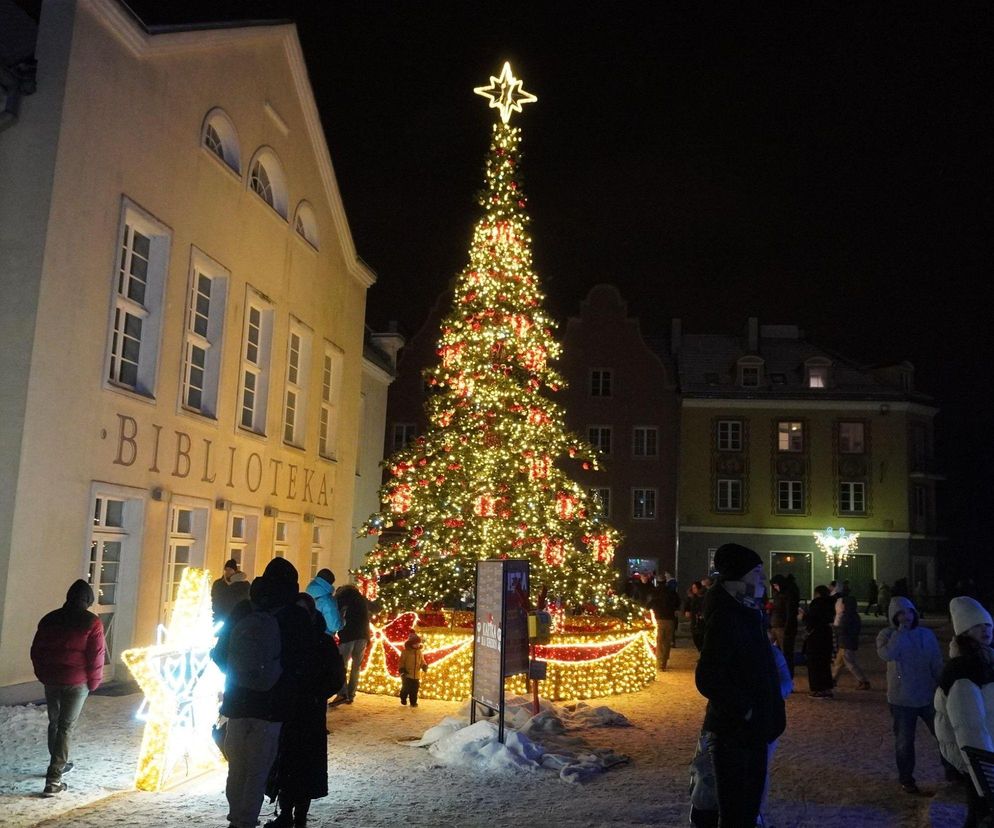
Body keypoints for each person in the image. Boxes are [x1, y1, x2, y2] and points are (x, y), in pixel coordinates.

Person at [212, 557, 311, 828]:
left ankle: (235, 817)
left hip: (237, 703)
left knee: (237, 767)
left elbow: (219, 653)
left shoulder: (243, 608)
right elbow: (301, 662)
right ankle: (246, 820)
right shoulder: (295, 615)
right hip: (272, 706)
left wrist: (238, 678)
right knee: (258, 769)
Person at [695, 543, 786, 827]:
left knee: (747, 808)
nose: (763, 577)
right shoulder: (727, 614)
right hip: (736, 732)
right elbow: (708, 677)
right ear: (739, 574)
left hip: (753, 729)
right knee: (737, 812)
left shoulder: (747, 608)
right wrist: (746, 709)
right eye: (757, 571)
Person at [265, 592, 344, 827]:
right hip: (287, 711)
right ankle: (286, 813)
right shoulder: (285, 639)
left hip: (309, 713)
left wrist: (315, 693)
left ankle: (298, 816)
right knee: (287, 763)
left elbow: (335, 677)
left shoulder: (322, 642)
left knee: (305, 766)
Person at [30, 579, 106, 796]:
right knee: (66, 726)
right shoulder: (92, 622)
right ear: (88, 600)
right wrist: (94, 681)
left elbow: (36, 650)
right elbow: (96, 656)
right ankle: (54, 777)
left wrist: (42, 673)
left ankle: (57, 763)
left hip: (52, 680)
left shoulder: (50, 619)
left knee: (54, 722)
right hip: (76, 681)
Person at [934, 596, 994, 827]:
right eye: (977, 626)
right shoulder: (964, 669)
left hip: (985, 757)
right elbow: (969, 727)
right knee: (982, 814)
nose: (985, 630)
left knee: (978, 815)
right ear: (964, 631)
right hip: (981, 760)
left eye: (988, 625)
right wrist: (987, 778)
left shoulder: (985, 659)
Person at [876, 595, 945, 794]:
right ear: (893, 617)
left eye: (908, 612)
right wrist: (900, 633)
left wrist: (943, 683)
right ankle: (906, 778)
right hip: (901, 699)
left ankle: (953, 772)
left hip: (927, 695)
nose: (905, 617)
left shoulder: (926, 634)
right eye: (899, 614)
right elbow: (887, 655)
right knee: (904, 741)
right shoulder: (887, 635)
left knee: (943, 735)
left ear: (914, 613)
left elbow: (935, 661)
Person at [330, 583, 371, 705]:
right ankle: (351, 694)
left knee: (341, 665)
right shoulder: (361, 599)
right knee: (356, 666)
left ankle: (342, 693)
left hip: (348, 636)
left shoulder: (342, 599)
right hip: (363, 636)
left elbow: (337, 617)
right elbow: (374, 608)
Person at [832, 581, 870, 690]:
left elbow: (843, 630)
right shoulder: (853, 615)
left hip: (846, 642)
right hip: (848, 641)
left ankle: (863, 681)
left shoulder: (847, 616)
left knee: (849, 662)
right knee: (839, 662)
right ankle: (833, 679)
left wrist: (835, 629)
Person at [804, 585, 836, 698]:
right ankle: (826, 688)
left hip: (816, 636)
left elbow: (811, 619)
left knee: (814, 663)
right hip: (826, 634)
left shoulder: (816, 603)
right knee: (825, 663)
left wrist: (804, 616)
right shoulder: (830, 603)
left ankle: (817, 689)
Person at [769, 575, 799, 678]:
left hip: (782, 627)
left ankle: (787, 677)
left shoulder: (788, 594)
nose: (775, 587)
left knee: (786, 654)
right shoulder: (779, 594)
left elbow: (790, 612)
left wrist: (787, 628)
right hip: (775, 625)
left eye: (776, 585)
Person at [648, 581, 681, 670]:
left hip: (658, 619)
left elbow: (649, 605)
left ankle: (659, 662)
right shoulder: (672, 593)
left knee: (659, 641)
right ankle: (664, 662)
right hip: (670, 619)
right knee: (667, 642)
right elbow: (678, 603)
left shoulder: (654, 593)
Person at [305, 568, 342, 637]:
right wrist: (343, 622)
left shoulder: (307, 594)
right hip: (323, 638)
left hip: (308, 635)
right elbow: (333, 626)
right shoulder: (328, 601)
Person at [398, 631, 429, 706]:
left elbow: (422, 661)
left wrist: (424, 666)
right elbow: (401, 662)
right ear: (411, 644)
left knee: (414, 690)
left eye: (418, 643)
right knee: (406, 689)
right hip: (407, 675)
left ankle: (413, 702)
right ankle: (403, 698)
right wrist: (402, 669)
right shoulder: (405, 652)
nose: (417, 645)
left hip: (416, 675)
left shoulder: (419, 652)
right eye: (415, 643)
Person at [684, 581, 706, 652]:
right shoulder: (692, 598)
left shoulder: (704, 597)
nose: (693, 590)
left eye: (695, 588)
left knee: (701, 638)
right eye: (692, 588)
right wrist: (687, 611)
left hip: (702, 622)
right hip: (694, 621)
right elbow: (687, 605)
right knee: (695, 637)